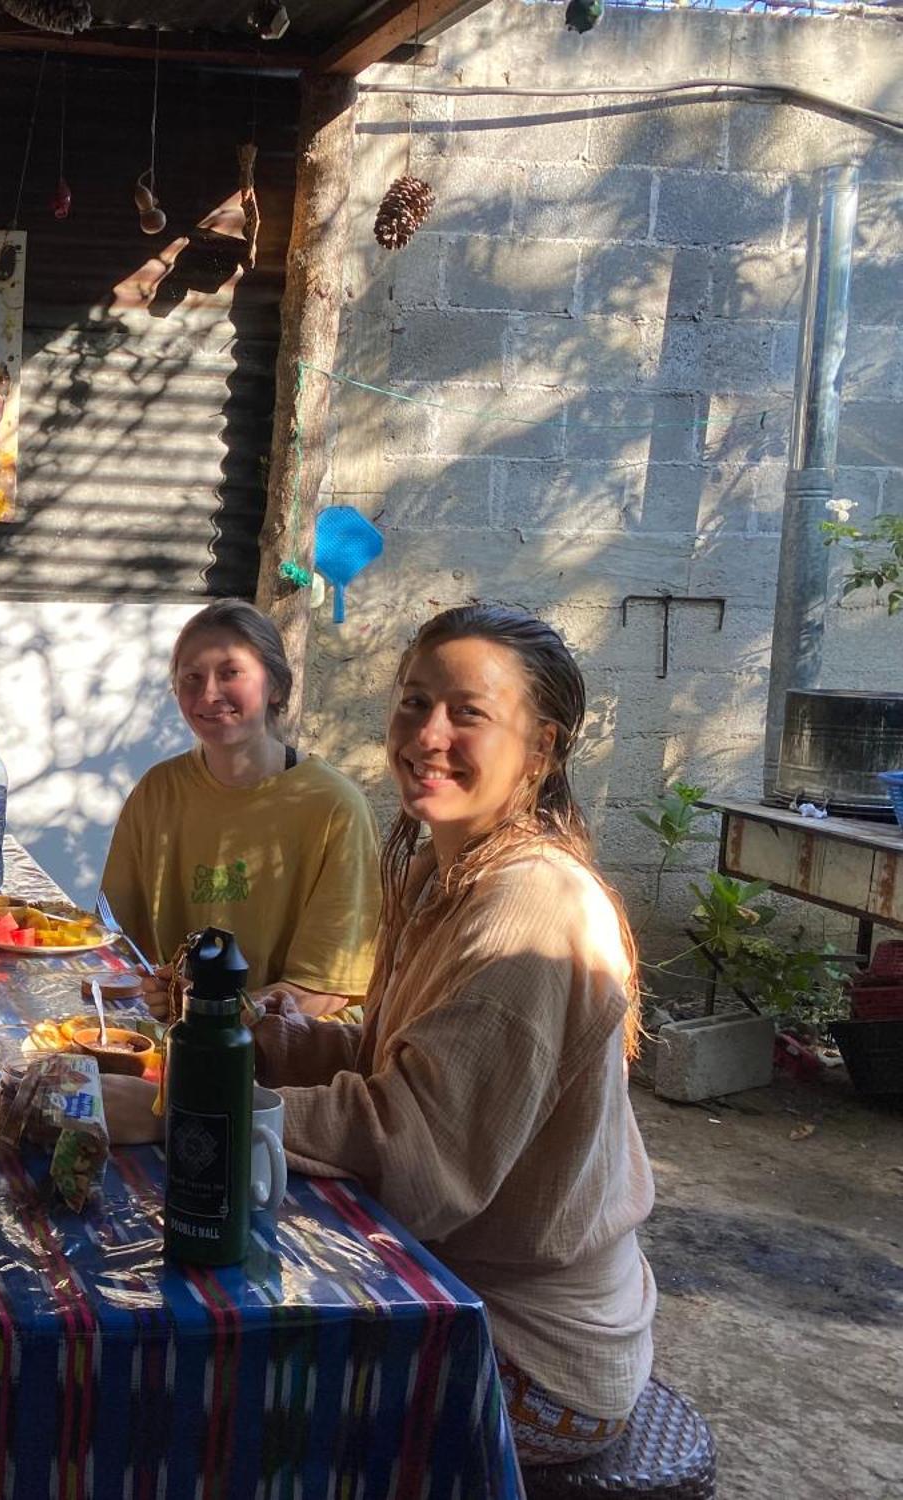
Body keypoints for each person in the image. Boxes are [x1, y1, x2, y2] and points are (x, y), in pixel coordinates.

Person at [256, 604, 657, 1465]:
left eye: (467, 713)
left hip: (524, 1350)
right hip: (449, 1284)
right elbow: (400, 1064)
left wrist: (197, 1101)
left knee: (230, 1392)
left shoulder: (534, 909)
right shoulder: (452, 874)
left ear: (541, 748)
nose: (427, 734)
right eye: (413, 703)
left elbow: (422, 1157)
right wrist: (269, 1044)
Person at [99, 598, 379, 1018]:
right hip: (176, 1040)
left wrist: (207, 1012)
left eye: (230, 673)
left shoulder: (335, 807)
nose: (209, 693)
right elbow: (116, 942)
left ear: (277, 686)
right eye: (191, 677)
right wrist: (151, 987)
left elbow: (325, 990)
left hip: (290, 1060)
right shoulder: (158, 791)